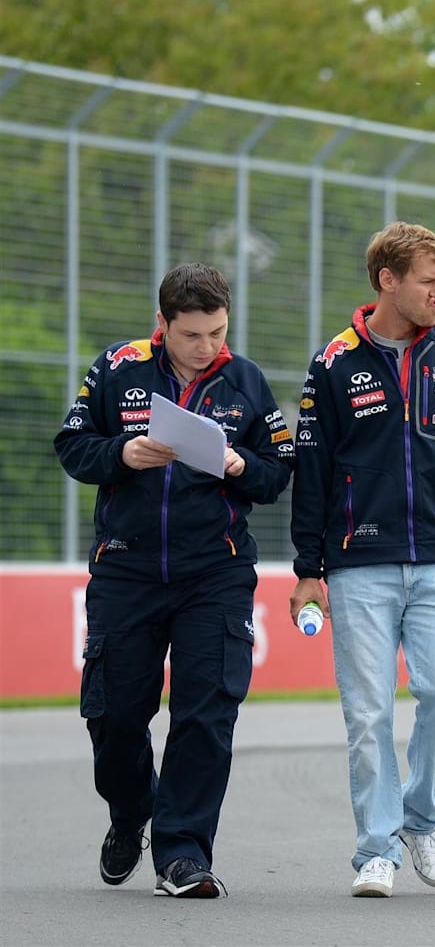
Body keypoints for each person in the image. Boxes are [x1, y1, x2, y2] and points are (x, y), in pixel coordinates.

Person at [54, 262, 295, 898]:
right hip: (126, 567)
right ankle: (131, 811)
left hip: (215, 571)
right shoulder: (118, 367)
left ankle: (182, 853)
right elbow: (72, 445)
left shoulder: (244, 382)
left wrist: (240, 464)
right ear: (162, 326)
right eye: (193, 334)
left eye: (218, 331)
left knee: (208, 710)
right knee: (113, 714)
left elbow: (277, 473)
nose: (208, 346)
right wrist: (121, 454)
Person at [289, 221, 435, 898]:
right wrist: (307, 568)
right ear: (387, 281)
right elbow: (313, 470)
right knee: (369, 715)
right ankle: (375, 849)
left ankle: (419, 818)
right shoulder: (333, 363)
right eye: (428, 282)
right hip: (358, 563)